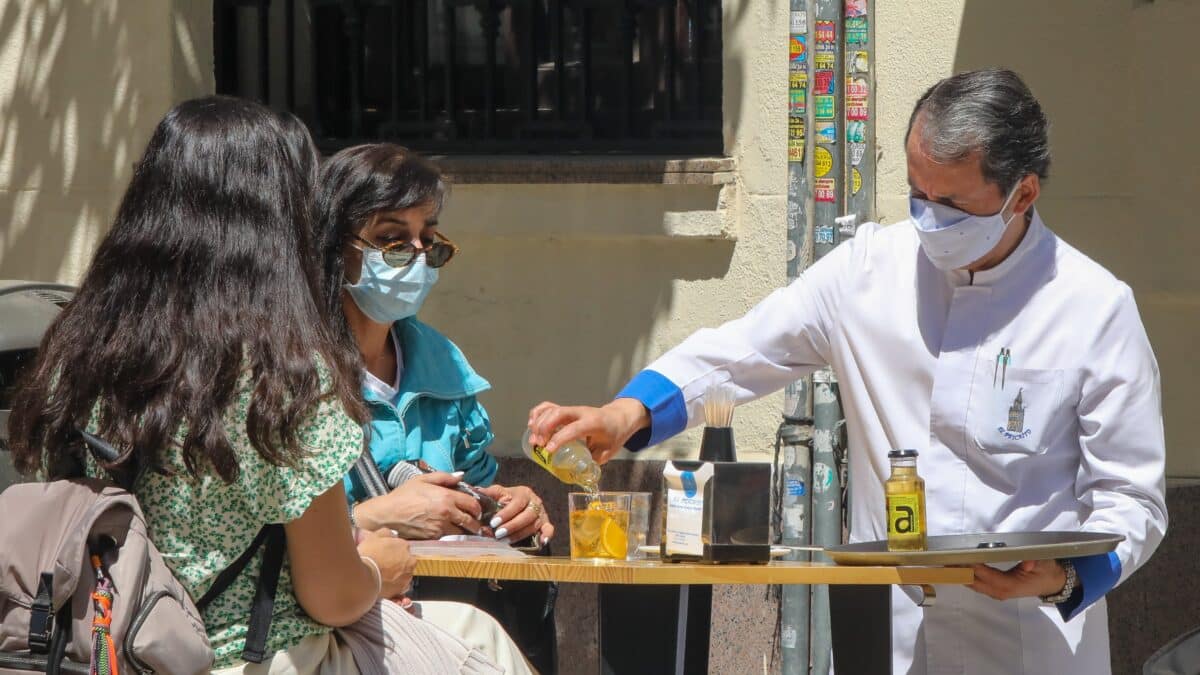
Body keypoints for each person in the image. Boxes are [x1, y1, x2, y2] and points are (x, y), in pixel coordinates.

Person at [527, 69, 1167, 675]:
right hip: (884, 633)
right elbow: (741, 350)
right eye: (918, 194)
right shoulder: (868, 271)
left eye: (953, 205)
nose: (929, 219)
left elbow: (1133, 499)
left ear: (1023, 192)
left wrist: (1066, 576)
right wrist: (625, 413)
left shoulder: (1093, 307)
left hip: (1033, 638)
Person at [7, 96, 504, 674]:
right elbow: (331, 594)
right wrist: (380, 569)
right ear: (279, 220)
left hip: (99, 651)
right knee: (482, 648)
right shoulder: (281, 377)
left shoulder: (81, 351)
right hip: (253, 657)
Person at [312, 143, 554, 671]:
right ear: (334, 247)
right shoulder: (293, 377)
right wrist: (374, 517)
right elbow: (266, 536)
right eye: (391, 239)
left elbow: (479, 481)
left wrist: (511, 506)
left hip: (443, 614)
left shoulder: (442, 363)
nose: (417, 256)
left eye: (429, 239)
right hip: (330, 628)